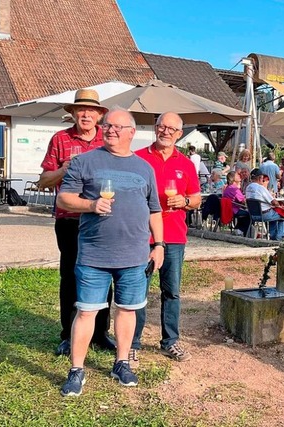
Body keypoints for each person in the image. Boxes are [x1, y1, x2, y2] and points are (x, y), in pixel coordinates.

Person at [57, 107, 164, 397]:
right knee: (87, 311)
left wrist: (159, 245)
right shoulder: (85, 161)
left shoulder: (144, 167)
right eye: (107, 126)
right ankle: (76, 370)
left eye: (117, 126)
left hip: (134, 255)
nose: (110, 130)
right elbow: (64, 198)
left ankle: (121, 362)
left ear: (131, 132)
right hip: (94, 254)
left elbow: (155, 210)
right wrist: (91, 205)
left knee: (127, 310)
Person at [38, 88, 115, 356]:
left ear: (99, 115)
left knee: (104, 275)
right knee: (71, 275)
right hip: (70, 220)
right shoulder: (60, 139)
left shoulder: (107, 140)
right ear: (72, 113)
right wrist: (63, 169)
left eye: (90, 110)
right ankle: (68, 334)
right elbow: (44, 180)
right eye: (80, 110)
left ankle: (101, 333)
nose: (85, 114)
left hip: (100, 220)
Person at [130, 112, 201, 366]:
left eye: (172, 129)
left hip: (174, 236)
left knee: (171, 292)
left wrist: (183, 201)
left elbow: (196, 198)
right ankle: (132, 343)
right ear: (155, 128)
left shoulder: (186, 163)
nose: (166, 132)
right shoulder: (138, 158)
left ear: (179, 134)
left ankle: (170, 341)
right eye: (162, 127)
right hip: (142, 236)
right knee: (137, 291)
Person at [245, 168, 284, 240]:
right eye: (263, 178)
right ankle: (280, 237)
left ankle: (273, 236)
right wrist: (278, 205)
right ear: (260, 178)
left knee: (273, 215)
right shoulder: (260, 188)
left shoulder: (248, 187)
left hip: (252, 215)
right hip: (264, 215)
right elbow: (274, 202)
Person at [222, 170, 251, 236]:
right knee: (250, 215)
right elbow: (243, 201)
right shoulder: (234, 189)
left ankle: (238, 229)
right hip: (234, 210)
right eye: (237, 175)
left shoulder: (228, 188)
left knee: (244, 214)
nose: (239, 176)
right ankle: (243, 232)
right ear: (233, 178)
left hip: (229, 209)